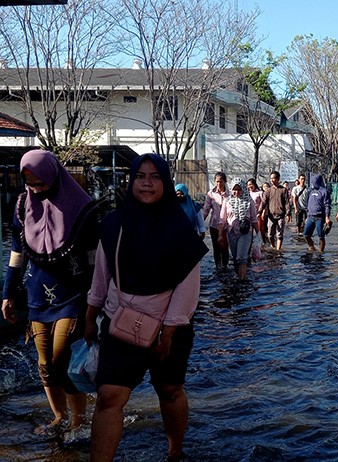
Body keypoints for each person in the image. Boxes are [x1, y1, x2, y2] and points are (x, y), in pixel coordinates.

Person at [84, 153, 207, 462]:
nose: (147, 184)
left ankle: (174, 451)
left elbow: (188, 286)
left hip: (170, 326)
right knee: (109, 395)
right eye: (141, 176)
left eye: (155, 177)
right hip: (118, 321)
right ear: (132, 181)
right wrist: (90, 313)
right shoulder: (113, 225)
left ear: (165, 183)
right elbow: (102, 272)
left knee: (169, 390)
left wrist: (168, 331)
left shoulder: (180, 230)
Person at [1, 149, 100, 435]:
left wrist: (97, 300)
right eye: (30, 184)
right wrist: (7, 293)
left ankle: (78, 420)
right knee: (45, 364)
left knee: (62, 360)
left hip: (72, 297)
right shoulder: (23, 207)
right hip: (36, 297)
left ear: (54, 176)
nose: (36, 189)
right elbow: (17, 253)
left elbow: (94, 258)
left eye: (41, 184)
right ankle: (59, 417)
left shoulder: (82, 208)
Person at [220, 179, 257, 279]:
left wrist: (258, 235)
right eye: (234, 190)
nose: (236, 192)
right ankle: (238, 276)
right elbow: (222, 219)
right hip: (231, 232)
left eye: (239, 189)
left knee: (242, 258)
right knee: (236, 258)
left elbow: (254, 219)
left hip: (245, 233)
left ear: (243, 189)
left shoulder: (249, 201)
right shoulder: (227, 201)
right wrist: (220, 235)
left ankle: (243, 280)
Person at [202, 172, 229, 269]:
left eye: (221, 182)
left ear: (225, 182)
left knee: (225, 247)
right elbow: (206, 209)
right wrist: (200, 224)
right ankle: (218, 267)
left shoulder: (229, 194)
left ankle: (225, 266)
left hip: (226, 225)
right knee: (216, 248)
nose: (218, 184)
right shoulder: (211, 194)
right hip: (214, 224)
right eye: (217, 182)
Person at [260, 170, 291, 251]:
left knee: (279, 234)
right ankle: (273, 246)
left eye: (274, 178)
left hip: (281, 215)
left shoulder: (283, 190)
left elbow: (287, 203)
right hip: (271, 216)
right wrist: (259, 212)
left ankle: (278, 250)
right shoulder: (268, 191)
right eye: (271, 179)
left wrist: (288, 213)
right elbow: (263, 202)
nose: (272, 180)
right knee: (270, 234)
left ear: (278, 179)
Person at [303, 173, 332, 252]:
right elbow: (307, 205)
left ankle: (321, 252)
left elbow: (327, 205)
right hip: (310, 217)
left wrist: (327, 217)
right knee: (306, 235)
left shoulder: (324, 192)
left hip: (320, 217)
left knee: (321, 236)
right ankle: (312, 246)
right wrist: (307, 216)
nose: (313, 183)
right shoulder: (310, 192)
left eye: (314, 181)